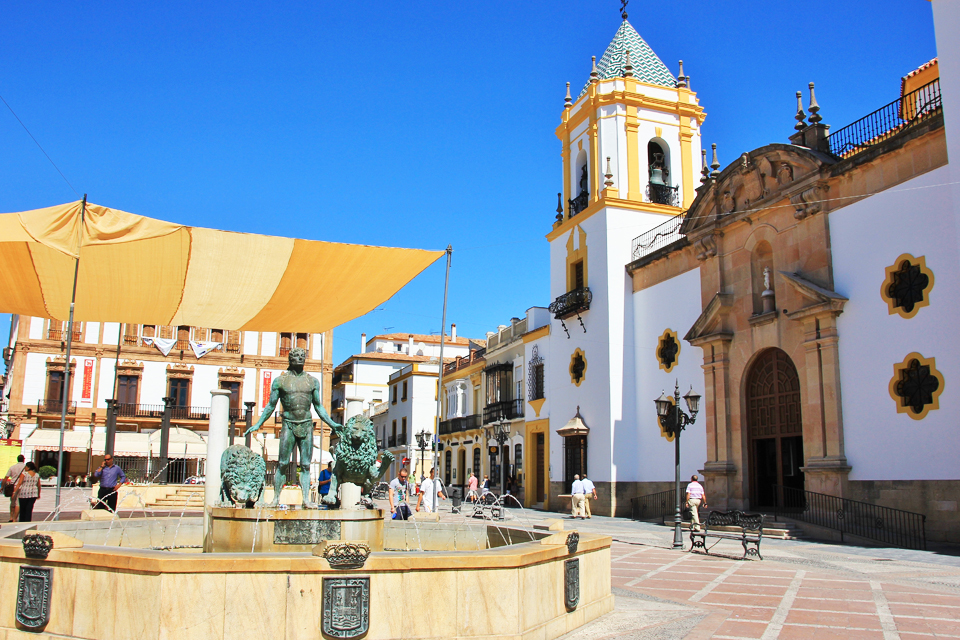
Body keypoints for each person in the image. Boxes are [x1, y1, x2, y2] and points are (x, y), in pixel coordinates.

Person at [245, 347, 343, 508]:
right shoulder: (280, 381)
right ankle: (276, 499)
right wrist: (258, 423)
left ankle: (306, 500)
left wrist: (332, 424)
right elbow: (270, 405)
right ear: (290, 359)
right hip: (288, 424)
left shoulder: (312, 381)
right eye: (296, 356)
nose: (300, 358)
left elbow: (318, 406)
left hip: (306, 424)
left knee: (305, 465)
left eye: (302, 355)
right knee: (282, 463)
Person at [3, 454, 26, 522]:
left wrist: (2, 486)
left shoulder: (12, 467)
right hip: (21, 486)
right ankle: (15, 518)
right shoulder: (25, 468)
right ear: (23, 460)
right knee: (18, 503)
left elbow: (6, 477)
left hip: (12, 486)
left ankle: (11, 517)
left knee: (12, 502)